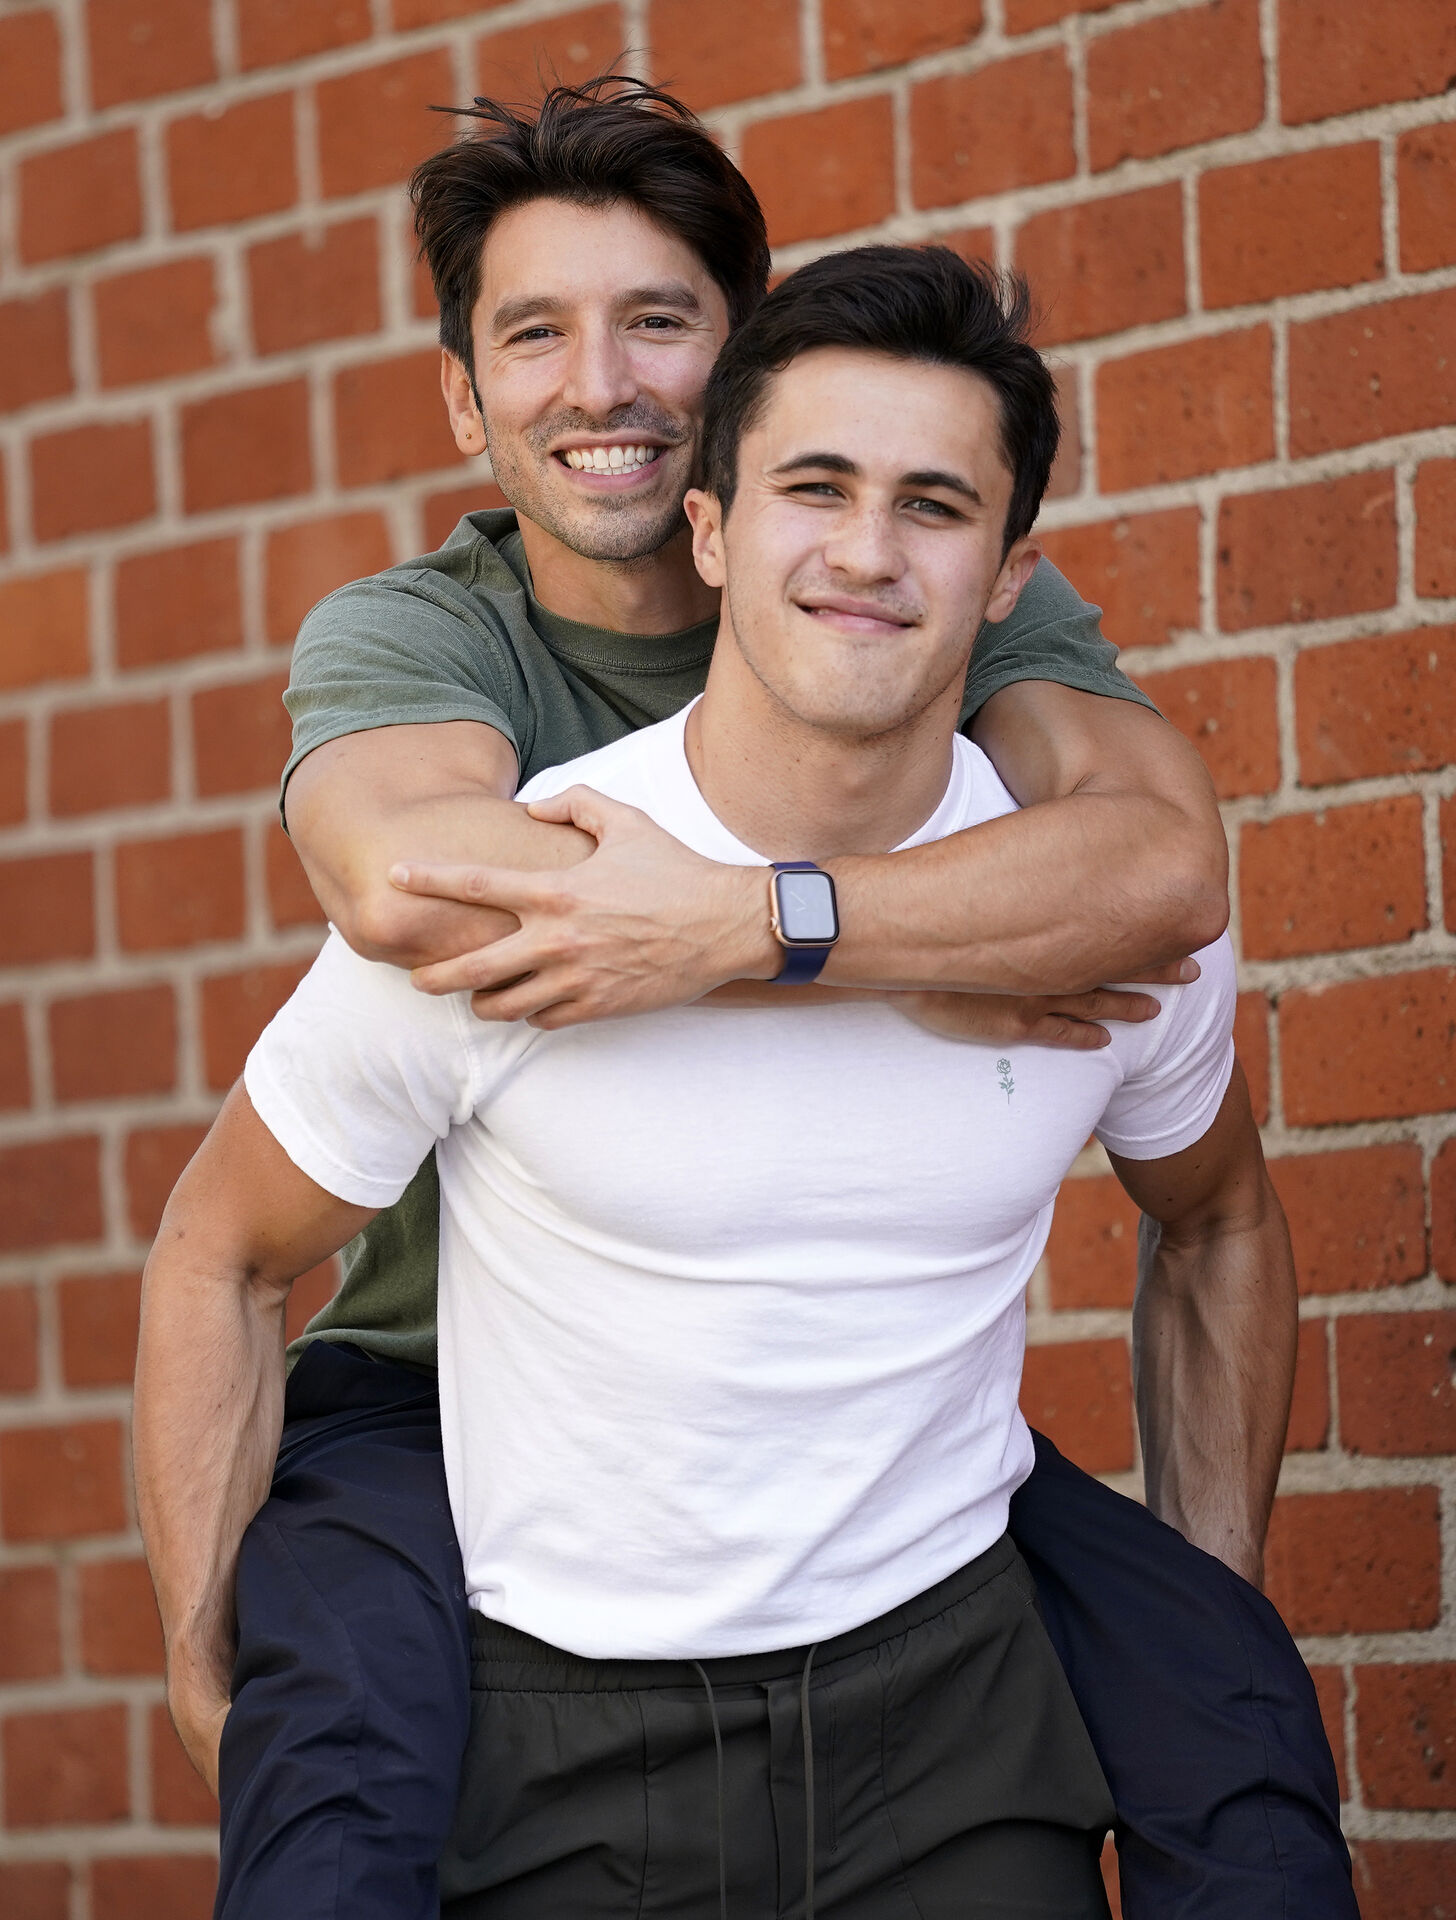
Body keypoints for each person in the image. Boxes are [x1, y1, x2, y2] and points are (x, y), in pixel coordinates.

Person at [133, 79, 1354, 1920]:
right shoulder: (426, 637)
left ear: (734, 360)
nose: (599, 384)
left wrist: (775, 933)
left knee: (1231, 1736)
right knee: (336, 1806)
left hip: (861, 1441)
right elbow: (414, 887)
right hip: (431, 1367)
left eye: (660, 323)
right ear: (469, 399)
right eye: (533, 334)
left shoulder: (911, 574)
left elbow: (1165, 873)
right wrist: (893, 954)